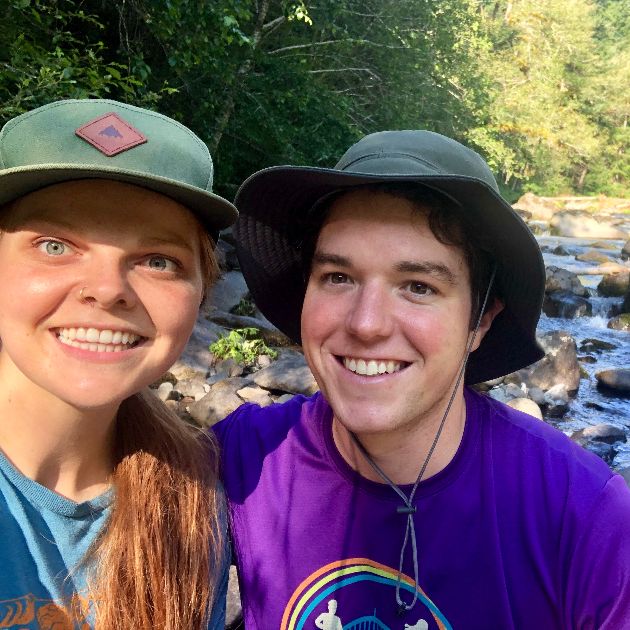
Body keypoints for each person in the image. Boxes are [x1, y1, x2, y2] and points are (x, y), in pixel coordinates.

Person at [215, 130, 630, 629]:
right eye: (338, 277)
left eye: (418, 286)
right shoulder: (243, 458)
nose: (367, 324)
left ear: (481, 321)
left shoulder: (584, 516)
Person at [0, 99, 237, 628]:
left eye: (158, 261)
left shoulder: (193, 505)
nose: (108, 290)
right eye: (55, 245)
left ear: (202, 293)